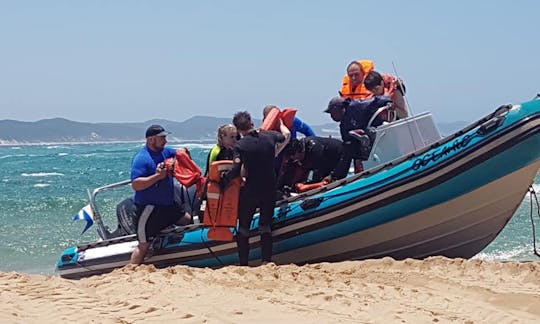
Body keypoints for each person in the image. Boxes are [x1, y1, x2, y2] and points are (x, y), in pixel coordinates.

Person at [220, 111, 289, 266]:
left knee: (244, 228)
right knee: (265, 226)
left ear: (238, 129)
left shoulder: (240, 145)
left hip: (251, 190)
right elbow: (286, 135)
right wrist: (281, 123)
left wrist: (224, 179)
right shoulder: (270, 136)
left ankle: (244, 263)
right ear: (251, 123)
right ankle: (266, 261)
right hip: (269, 189)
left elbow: (236, 170)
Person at [130, 124, 191, 264]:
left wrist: (183, 155)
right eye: (162, 138)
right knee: (143, 245)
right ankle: (131, 271)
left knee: (187, 220)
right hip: (150, 208)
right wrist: (157, 176)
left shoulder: (165, 152)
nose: (165, 141)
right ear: (151, 140)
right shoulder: (142, 158)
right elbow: (136, 184)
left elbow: (180, 153)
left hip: (168, 205)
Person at [324, 96, 392, 179]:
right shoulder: (343, 127)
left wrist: (387, 102)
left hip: (377, 133)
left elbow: (377, 100)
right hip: (365, 144)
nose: (331, 116)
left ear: (339, 108)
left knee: (368, 132)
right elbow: (348, 148)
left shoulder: (356, 106)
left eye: (332, 112)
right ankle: (341, 176)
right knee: (349, 148)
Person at [279, 136, 343, 190]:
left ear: (300, 151)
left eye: (293, 155)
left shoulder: (315, 150)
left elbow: (325, 177)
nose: (293, 158)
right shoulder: (295, 155)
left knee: (326, 178)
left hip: (338, 156)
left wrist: (306, 186)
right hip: (320, 160)